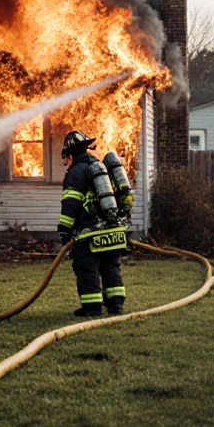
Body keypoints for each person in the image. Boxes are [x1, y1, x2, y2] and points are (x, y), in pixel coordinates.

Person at [57, 130, 128, 317]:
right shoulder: (98, 166)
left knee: (87, 267)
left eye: (66, 158)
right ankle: (115, 305)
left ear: (70, 155)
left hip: (89, 233)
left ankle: (92, 308)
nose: (66, 163)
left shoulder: (75, 172)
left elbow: (71, 203)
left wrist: (64, 230)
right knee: (110, 266)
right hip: (112, 230)